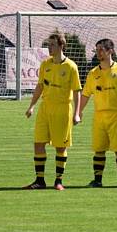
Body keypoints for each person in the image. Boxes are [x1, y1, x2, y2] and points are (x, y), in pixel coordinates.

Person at [23, 32, 82, 191]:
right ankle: (39, 180)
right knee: (38, 143)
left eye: (52, 45)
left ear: (61, 46)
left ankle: (58, 180)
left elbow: (77, 91)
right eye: (48, 44)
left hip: (62, 109)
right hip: (45, 108)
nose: (49, 47)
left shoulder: (71, 67)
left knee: (60, 147)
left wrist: (77, 113)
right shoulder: (45, 64)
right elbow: (40, 86)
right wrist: (32, 106)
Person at [76, 39, 117, 188]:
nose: (98, 53)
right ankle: (97, 180)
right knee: (99, 149)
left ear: (110, 51)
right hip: (99, 116)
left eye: (101, 50)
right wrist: (78, 112)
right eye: (97, 50)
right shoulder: (93, 73)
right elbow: (85, 94)